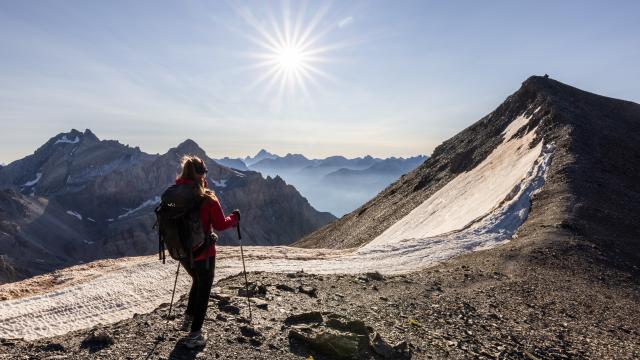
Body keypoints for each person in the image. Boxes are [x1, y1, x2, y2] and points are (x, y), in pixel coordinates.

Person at [174, 155, 240, 349]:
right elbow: (220, 224)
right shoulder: (208, 199)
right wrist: (234, 218)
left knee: (197, 280)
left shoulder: (176, 194)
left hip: (182, 253)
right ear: (202, 174)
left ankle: (187, 320)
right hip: (204, 253)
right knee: (204, 289)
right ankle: (195, 335)